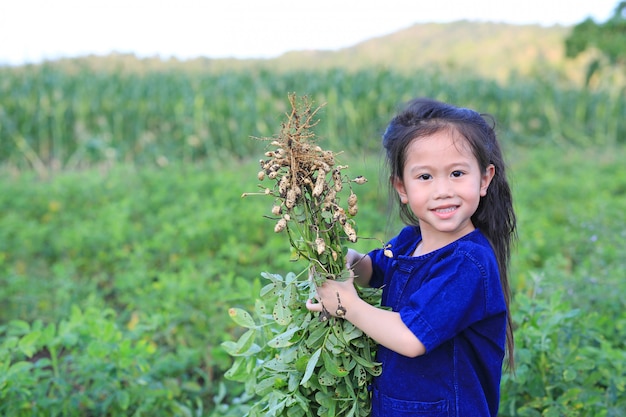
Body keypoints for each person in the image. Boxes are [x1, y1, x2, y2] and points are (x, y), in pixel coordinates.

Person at [306, 98, 516, 417]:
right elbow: (371, 270)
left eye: (457, 173)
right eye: (425, 177)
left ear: (484, 179)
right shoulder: (409, 242)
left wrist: (346, 304)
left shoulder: (468, 263)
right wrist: (337, 259)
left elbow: (411, 337)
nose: (443, 190)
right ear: (402, 188)